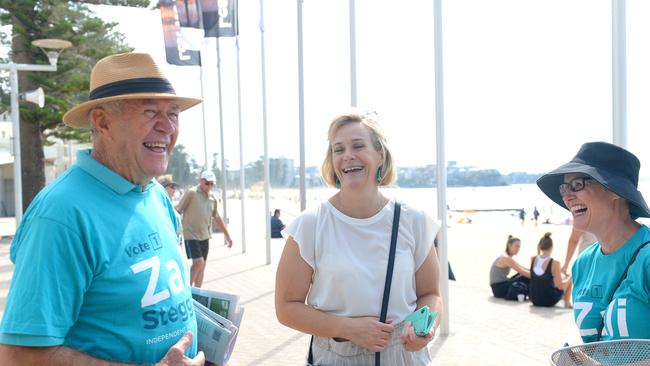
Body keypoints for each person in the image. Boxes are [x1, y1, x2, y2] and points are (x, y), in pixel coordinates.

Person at [0, 53, 205, 365]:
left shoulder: (155, 194)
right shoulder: (60, 213)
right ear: (103, 121)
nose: (167, 127)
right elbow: (19, 355)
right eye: (150, 112)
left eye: (173, 114)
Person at [275, 112, 443, 365]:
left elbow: (431, 295)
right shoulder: (310, 225)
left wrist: (424, 328)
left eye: (358, 145)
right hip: (337, 355)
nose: (348, 156)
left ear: (380, 155)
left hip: (404, 356)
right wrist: (347, 328)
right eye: (338, 149)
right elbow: (286, 308)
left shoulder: (413, 220)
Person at [537, 141, 650, 342]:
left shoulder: (646, 259)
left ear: (614, 190)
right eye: (564, 188)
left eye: (577, 185)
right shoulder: (582, 264)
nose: (567, 197)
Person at [176, 170, 233, 288]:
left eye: (212, 184)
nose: (209, 186)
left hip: (205, 235)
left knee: (203, 265)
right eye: (207, 183)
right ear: (201, 181)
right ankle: (187, 291)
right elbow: (177, 210)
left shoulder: (212, 198)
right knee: (198, 263)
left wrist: (228, 236)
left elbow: (217, 218)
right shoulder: (191, 193)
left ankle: (198, 293)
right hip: (191, 234)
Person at [528, 232, 572, 308]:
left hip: (534, 299)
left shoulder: (533, 259)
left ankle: (565, 304)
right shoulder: (554, 263)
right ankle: (567, 305)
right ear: (552, 247)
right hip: (547, 301)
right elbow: (560, 286)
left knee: (548, 280)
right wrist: (569, 278)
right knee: (570, 279)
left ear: (540, 246)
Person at [158, 174, 185, 249]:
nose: (174, 190)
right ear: (163, 188)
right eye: (172, 187)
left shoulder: (170, 206)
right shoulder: (159, 208)